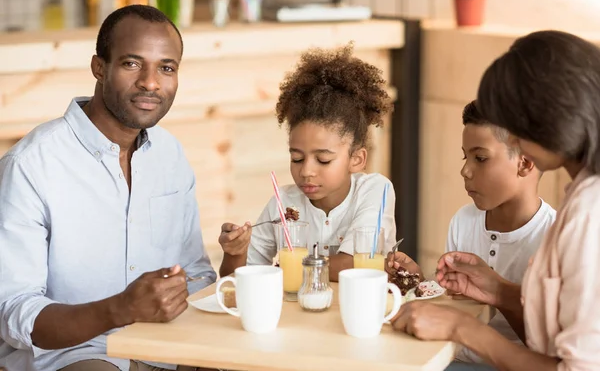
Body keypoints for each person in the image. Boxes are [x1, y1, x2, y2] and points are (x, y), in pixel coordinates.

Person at [0, 5, 217, 371]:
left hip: (166, 351)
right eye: (132, 64)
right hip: (71, 357)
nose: (151, 82)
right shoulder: (31, 165)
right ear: (99, 68)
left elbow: (195, 273)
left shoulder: (169, 155)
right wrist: (121, 309)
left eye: (166, 67)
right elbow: (15, 311)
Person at [391, 30, 600, 371]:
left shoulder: (590, 214)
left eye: (516, 123)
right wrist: (498, 291)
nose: (514, 137)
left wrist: (463, 328)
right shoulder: (582, 194)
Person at [386, 100, 556, 369]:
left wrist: (502, 295)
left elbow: (547, 348)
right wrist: (416, 282)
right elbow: (452, 300)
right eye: (465, 157)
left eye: (481, 158)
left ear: (525, 163)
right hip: (451, 358)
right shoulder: (464, 221)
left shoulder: (554, 239)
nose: (465, 170)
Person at [218, 43, 396, 281]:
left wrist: (283, 270)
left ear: (356, 159)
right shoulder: (284, 204)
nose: (306, 171)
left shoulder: (375, 190)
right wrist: (234, 253)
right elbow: (236, 281)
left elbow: (354, 265)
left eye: (323, 160)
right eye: (297, 158)